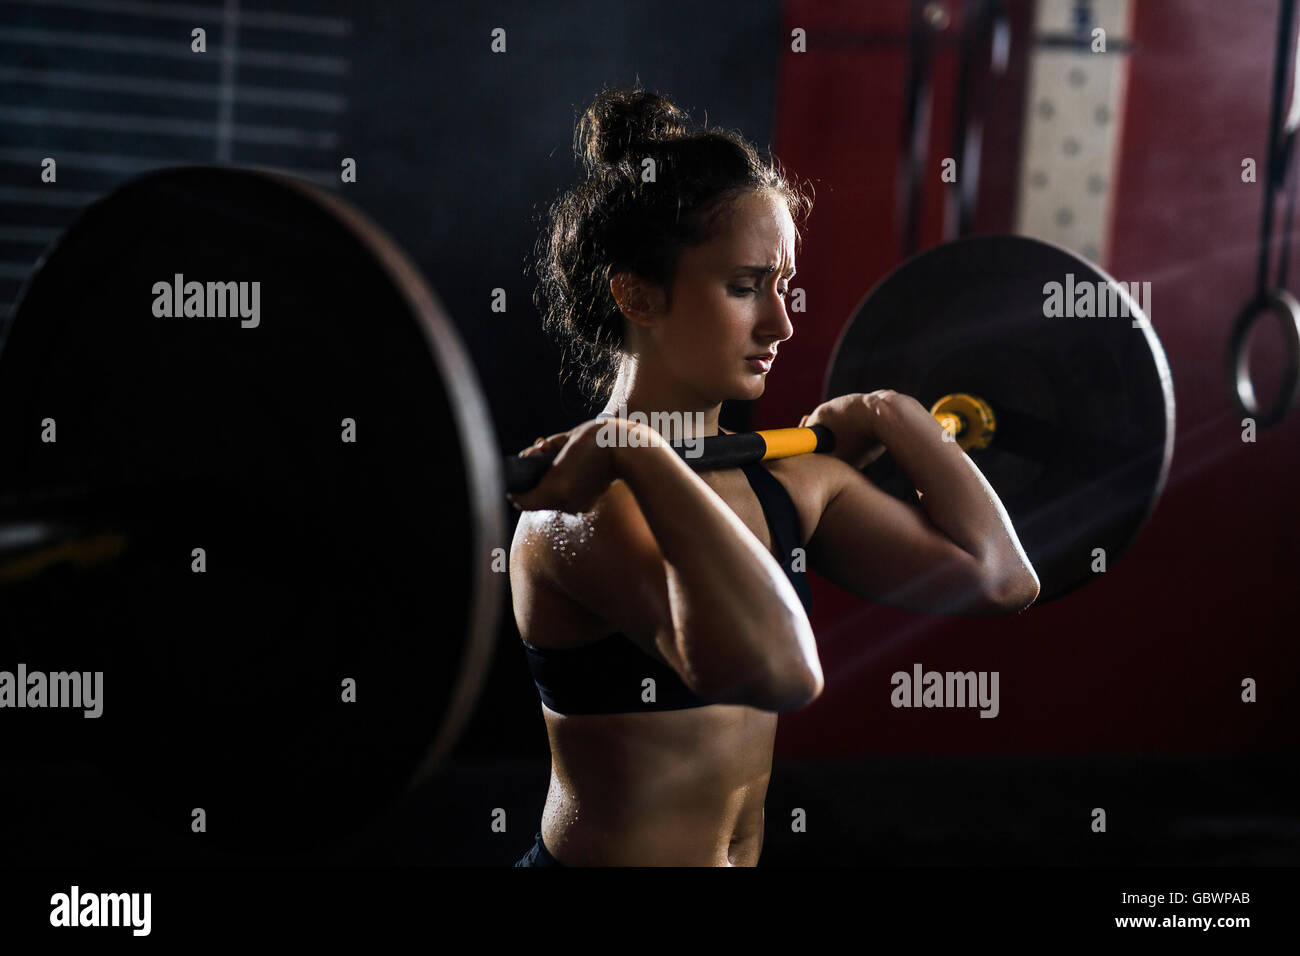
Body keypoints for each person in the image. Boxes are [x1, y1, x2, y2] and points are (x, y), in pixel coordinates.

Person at [508, 84, 1038, 867]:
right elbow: (778, 671)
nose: (781, 324)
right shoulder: (584, 512)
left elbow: (1000, 580)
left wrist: (895, 416)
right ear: (637, 295)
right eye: (744, 286)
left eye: (781, 287)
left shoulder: (788, 482)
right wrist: (638, 453)